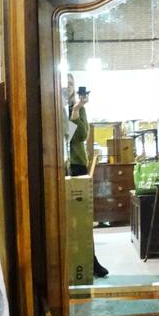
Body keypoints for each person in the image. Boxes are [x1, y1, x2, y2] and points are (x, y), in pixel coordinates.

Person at [67, 74, 109, 278]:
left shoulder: (78, 108)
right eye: (65, 83)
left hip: (77, 166)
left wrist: (76, 110)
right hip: (58, 167)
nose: (68, 87)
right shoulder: (53, 107)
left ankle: (90, 261)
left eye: (71, 84)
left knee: (82, 219)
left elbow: (80, 136)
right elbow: (64, 136)